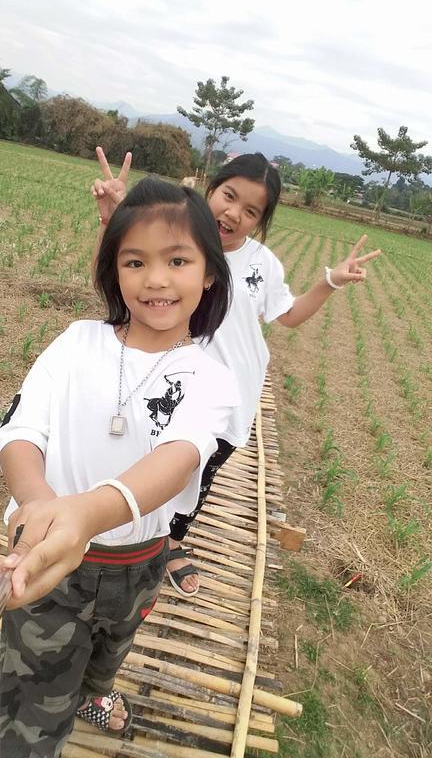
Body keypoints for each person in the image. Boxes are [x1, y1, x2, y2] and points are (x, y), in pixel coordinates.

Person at [0, 176, 238, 757]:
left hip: (137, 563)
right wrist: (39, 504)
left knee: (113, 645)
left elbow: (177, 460)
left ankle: (98, 689)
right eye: (135, 261)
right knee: (33, 706)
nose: (155, 279)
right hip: (49, 556)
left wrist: (87, 512)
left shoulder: (211, 379)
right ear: (114, 270)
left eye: (177, 260)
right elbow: (22, 434)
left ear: (209, 273)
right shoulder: (77, 344)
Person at [90, 149, 381, 597]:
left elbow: (288, 316)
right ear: (210, 188)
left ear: (260, 221)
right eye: (229, 196)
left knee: (199, 477)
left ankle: (171, 542)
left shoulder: (262, 264)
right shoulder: (175, 244)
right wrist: (114, 220)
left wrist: (330, 280)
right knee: (148, 462)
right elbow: (120, 278)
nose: (234, 213)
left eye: (251, 211)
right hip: (169, 386)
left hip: (230, 399)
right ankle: (126, 536)